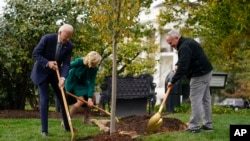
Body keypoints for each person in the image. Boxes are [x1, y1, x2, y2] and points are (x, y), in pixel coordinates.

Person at [30, 24, 74, 137]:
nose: (68, 39)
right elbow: (35, 53)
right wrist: (47, 63)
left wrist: (63, 78)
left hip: (56, 75)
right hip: (42, 72)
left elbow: (67, 64)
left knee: (63, 99)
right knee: (44, 99)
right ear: (60, 32)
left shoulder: (69, 46)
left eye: (70, 36)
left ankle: (68, 127)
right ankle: (44, 130)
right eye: (67, 36)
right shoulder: (47, 38)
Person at [166, 29, 213, 133]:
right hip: (207, 71)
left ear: (176, 38)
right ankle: (208, 125)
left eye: (171, 43)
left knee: (195, 99)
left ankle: (194, 127)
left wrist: (172, 81)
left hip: (199, 75)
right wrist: (178, 64)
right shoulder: (187, 42)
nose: (170, 45)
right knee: (205, 99)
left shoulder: (184, 47)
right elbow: (184, 59)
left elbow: (183, 68)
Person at [65, 51, 102, 124]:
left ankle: (86, 118)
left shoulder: (94, 69)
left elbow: (92, 82)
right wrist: (62, 78)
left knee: (93, 97)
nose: (96, 65)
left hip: (82, 83)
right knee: (80, 101)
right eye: (95, 63)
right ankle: (66, 120)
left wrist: (89, 98)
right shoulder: (79, 61)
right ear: (90, 60)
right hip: (72, 82)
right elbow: (67, 67)